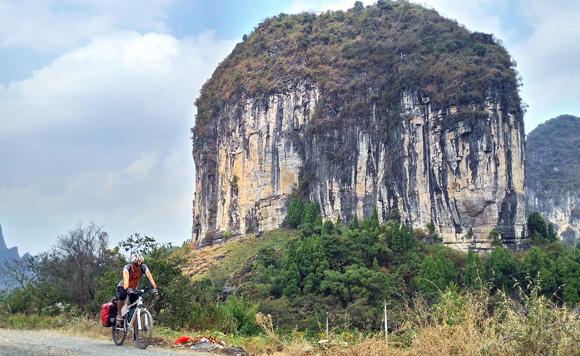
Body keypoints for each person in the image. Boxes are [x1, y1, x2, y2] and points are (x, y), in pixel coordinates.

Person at [116, 253, 158, 326]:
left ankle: (135, 334)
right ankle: (119, 314)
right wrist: (126, 287)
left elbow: (149, 276)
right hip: (123, 286)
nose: (138, 267)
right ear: (132, 263)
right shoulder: (127, 267)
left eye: (140, 265)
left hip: (133, 289)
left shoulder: (143, 267)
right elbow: (126, 277)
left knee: (134, 309)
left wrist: (154, 287)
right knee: (122, 296)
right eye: (136, 265)